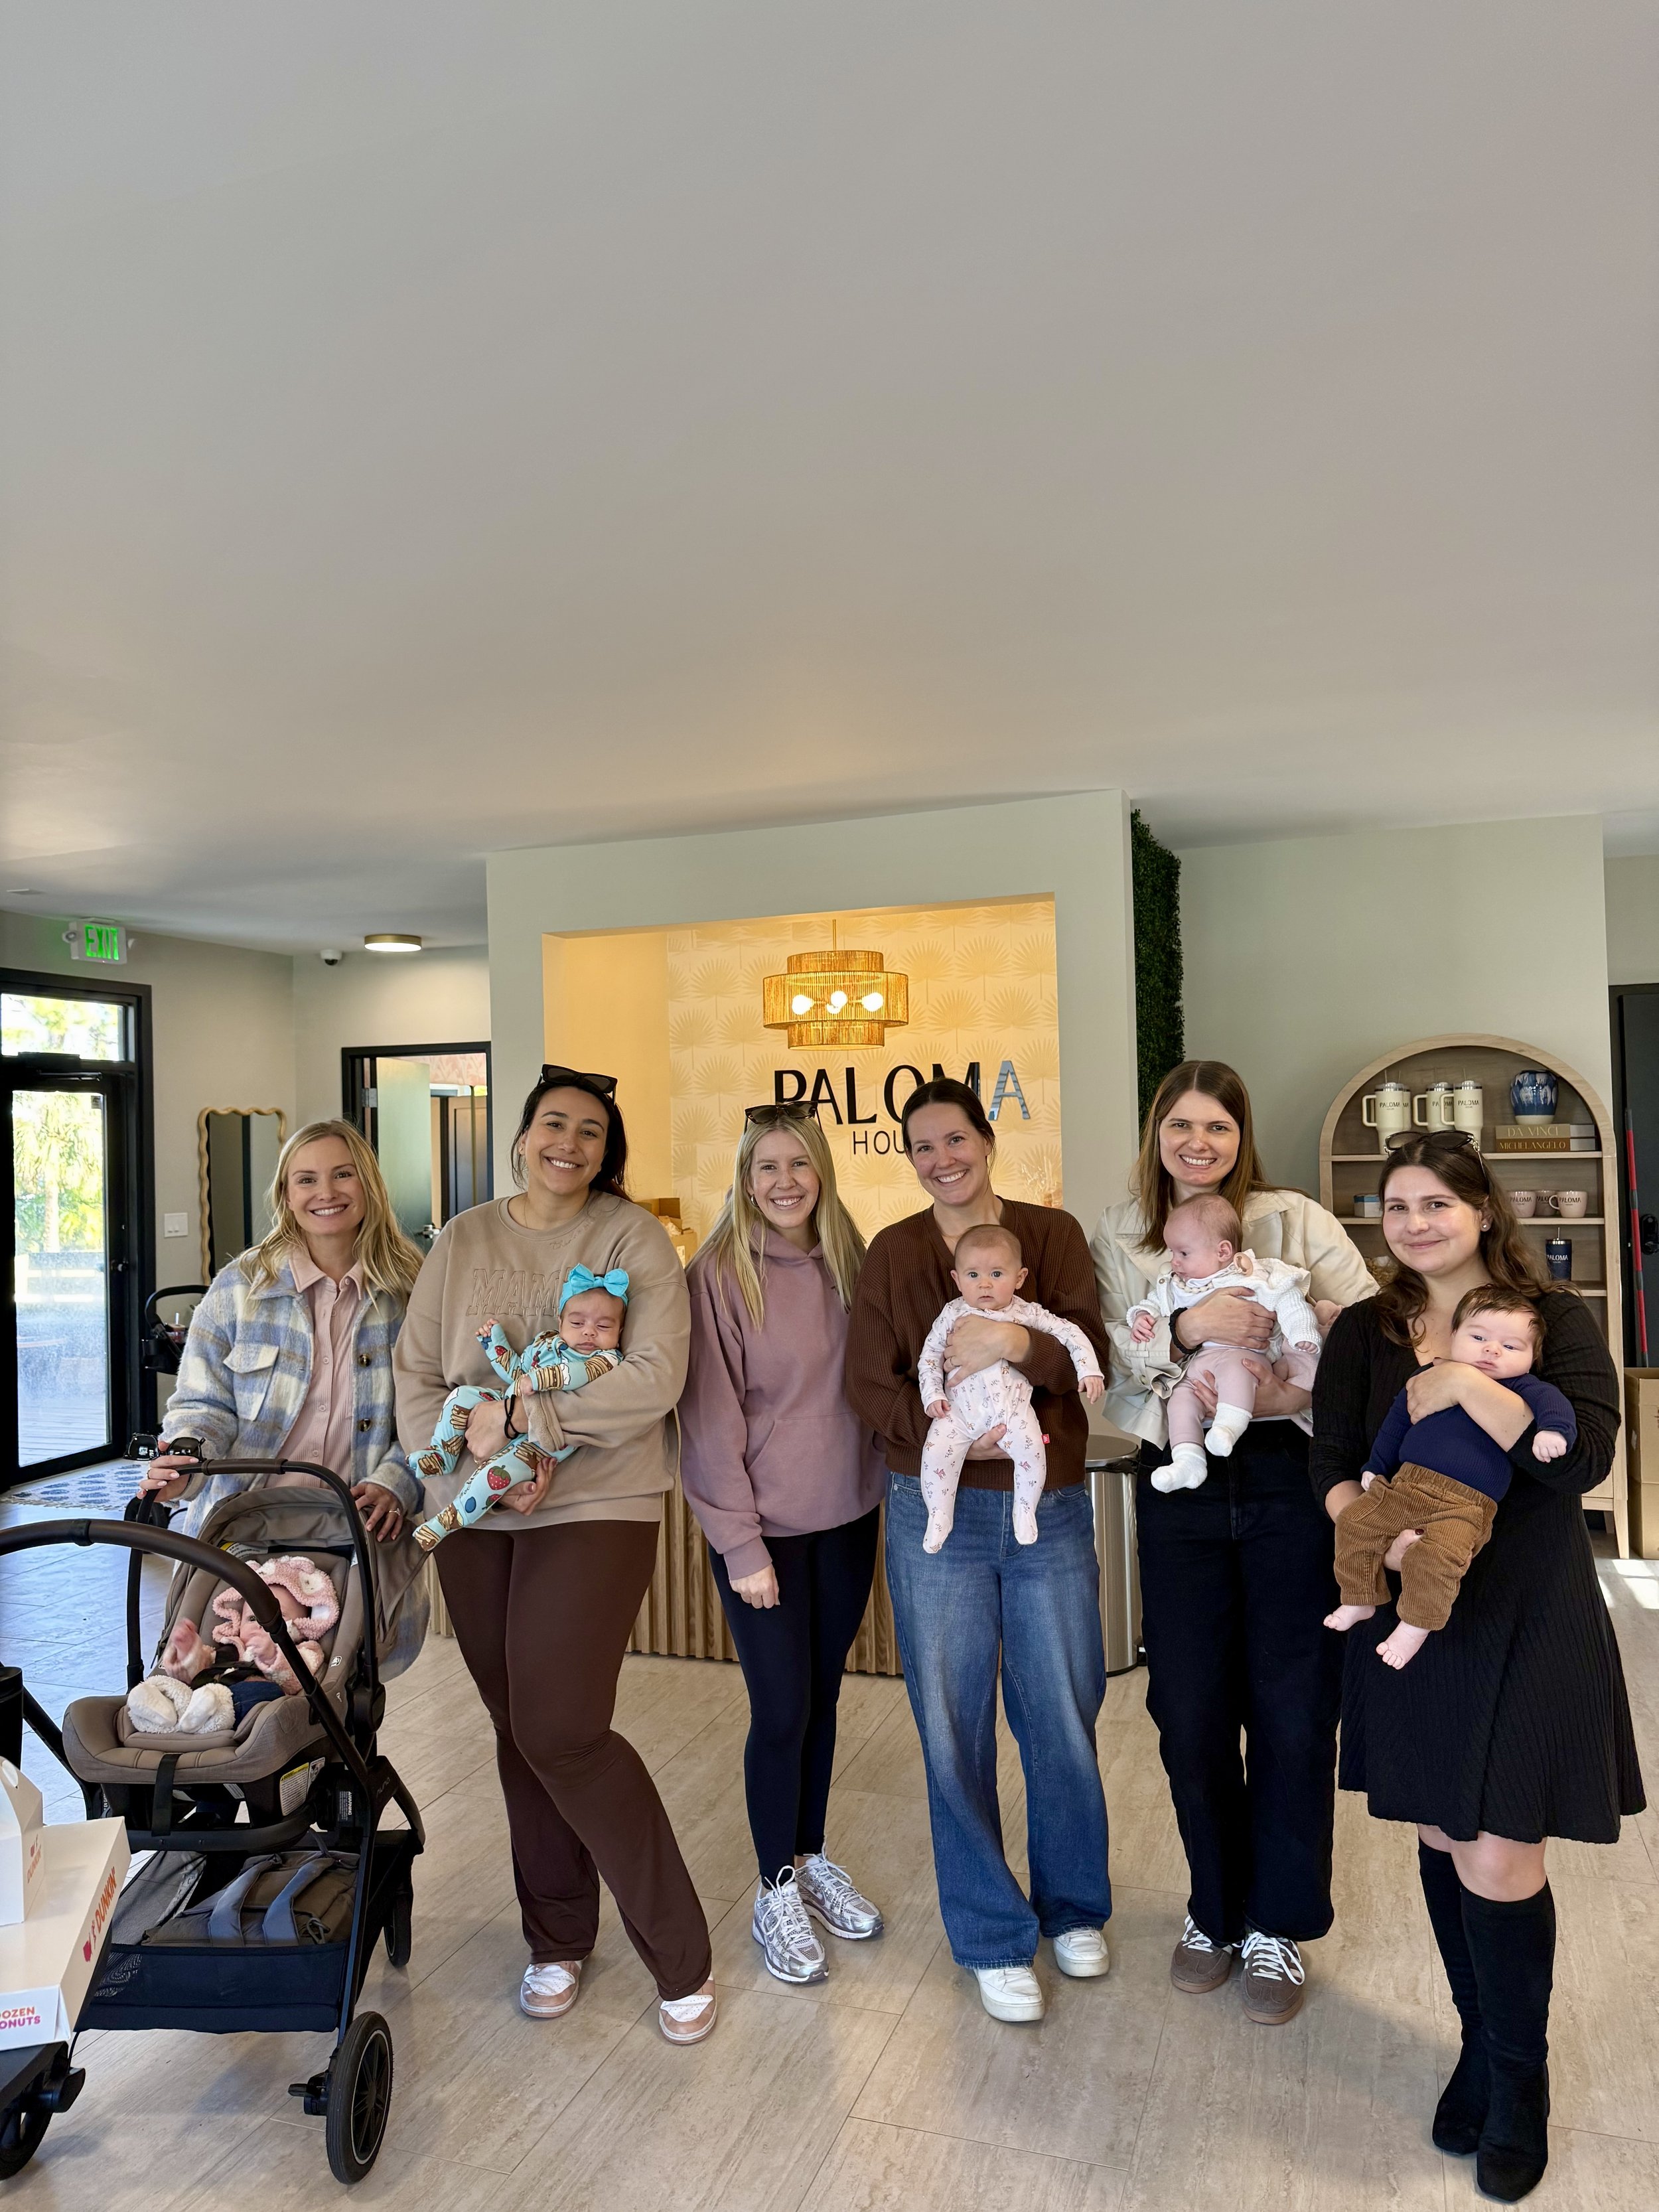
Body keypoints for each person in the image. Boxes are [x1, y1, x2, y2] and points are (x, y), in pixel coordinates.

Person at [1312, 1130, 1642, 2201]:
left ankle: (1520, 2077)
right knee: (1445, 1828)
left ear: (1482, 1208)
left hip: (1532, 1611)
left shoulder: (1552, 1318)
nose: (1414, 1220)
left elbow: (1587, 1458)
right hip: (1418, 1603)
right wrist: (1377, 1532)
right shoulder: (1366, 1330)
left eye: (1435, 1201)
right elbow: (1329, 1458)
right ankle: (1475, 2037)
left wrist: (1461, 1374)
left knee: (1504, 1851)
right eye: (1395, 1204)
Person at [394, 1067, 715, 2044]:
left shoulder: (631, 1238)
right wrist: (464, 1468)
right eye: (551, 1125)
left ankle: (680, 1949)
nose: (567, 1142)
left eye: (588, 1130)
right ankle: (557, 1935)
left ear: (606, 1149)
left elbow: (659, 1376)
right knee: (517, 1729)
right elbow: (417, 1371)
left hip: (598, 1505)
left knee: (564, 1726)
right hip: (476, 1511)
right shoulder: (463, 1236)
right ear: (522, 1136)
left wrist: (539, 1426)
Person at [1092, 1060, 1375, 2026]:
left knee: (1295, 1708)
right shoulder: (1120, 1239)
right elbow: (1104, 1364)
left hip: (1289, 1480)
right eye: (1181, 1125)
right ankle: (1213, 1909)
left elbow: (1371, 1325)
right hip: (1182, 1483)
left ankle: (1277, 1925)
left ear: (1240, 1135)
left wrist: (1301, 1380)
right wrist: (1182, 1325)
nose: (1198, 1143)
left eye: (1217, 1126)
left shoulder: (1294, 1220)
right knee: (1190, 1707)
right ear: (1156, 1134)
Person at [846, 1077, 1112, 2026]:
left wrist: (1013, 1343)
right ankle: (993, 1935)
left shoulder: (1053, 1234)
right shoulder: (894, 1253)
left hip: (1051, 1504)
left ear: (987, 1139)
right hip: (939, 1509)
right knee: (951, 1724)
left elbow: (1093, 1360)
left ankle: (1074, 1906)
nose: (940, 1158)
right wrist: (945, 1439)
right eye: (922, 1147)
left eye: (954, 1139)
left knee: (1064, 1710)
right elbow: (869, 1384)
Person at [680, 1102, 885, 1989]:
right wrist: (739, 1543)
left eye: (799, 1164)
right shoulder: (719, 1274)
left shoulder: (852, 1256)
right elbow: (708, 1419)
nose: (785, 1182)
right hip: (763, 1533)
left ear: (822, 1170)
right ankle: (772, 1887)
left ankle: (809, 1856)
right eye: (767, 1167)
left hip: (850, 1514)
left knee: (826, 1695)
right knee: (781, 1708)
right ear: (744, 1176)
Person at [137, 1118, 429, 1669]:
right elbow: (203, 1404)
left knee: (335, 1694)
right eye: (307, 1179)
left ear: (369, 1184)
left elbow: (432, 1411)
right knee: (215, 1670)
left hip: (353, 1535)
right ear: (286, 1195)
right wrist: (185, 1455)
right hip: (241, 1529)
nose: (326, 1192)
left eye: (343, 1175)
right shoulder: (240, 1289)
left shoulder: (411, 1291)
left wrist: (398, 1482)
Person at [1325, 1286, 1575, 1668]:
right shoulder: (1428, 1376)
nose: (1492, 1350)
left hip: (1466, 1505)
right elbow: (1395, 1426)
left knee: (1438, 1558)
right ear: (1453, 1337)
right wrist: (1375, 1467)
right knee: (1356, 1522)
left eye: (1511, 1346)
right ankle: (1359, 1597)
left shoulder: (1522, 1388)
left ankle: (1415, 1626)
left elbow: (1555, 1406)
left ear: (1531, 1358)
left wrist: (1553, 1431)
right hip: (1405, 1486)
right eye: (1479, 1338)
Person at [916, 1221, 1105, 1550]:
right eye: (973, 1275)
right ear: (957, 1279)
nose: (985, 1284)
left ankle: (1025, 1509)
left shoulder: (1026, 1314)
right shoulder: (951, 1314)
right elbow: (929, 1356)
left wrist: (1088, 1370)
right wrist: (932, 1394)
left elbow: (1072, 1333)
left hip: (1013, 1413)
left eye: (997, 1275)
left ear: (1019, 1278)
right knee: (934, 1456)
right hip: (957, 1412)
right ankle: (938, 1515)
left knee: (1032, 1450)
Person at [408, 1274, 627, 1549]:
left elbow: (578, 1374)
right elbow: (517, 1373)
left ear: (619, 1333)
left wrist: (540, 1379)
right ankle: (444, 1454)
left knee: (496, 1474)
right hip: (506, 1401)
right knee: (462, 1396)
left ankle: (448, 1520)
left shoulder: (606, 1359)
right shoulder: (547, 1343)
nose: (589, 1332)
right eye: (577, 1323)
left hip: (540, 1444)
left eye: (604, 1326)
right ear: (560, 1323)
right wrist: (495, 1345)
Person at [1125, 1193, 1323, 1490]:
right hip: (1197, 1367)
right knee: (1179, 1398)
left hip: (1245, 1356)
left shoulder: (1254, 1276)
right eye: (1172, 1253)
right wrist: (1141, 1316)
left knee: (1237, 1370)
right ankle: (1187, 1458)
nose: (1174, 1262)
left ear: (1223, 1251)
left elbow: (1290, 1301)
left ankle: (1229, 1425)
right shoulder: (1177, 1286)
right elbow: (1154, 1304)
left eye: (1183, 1253)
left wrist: (1302, 1334)